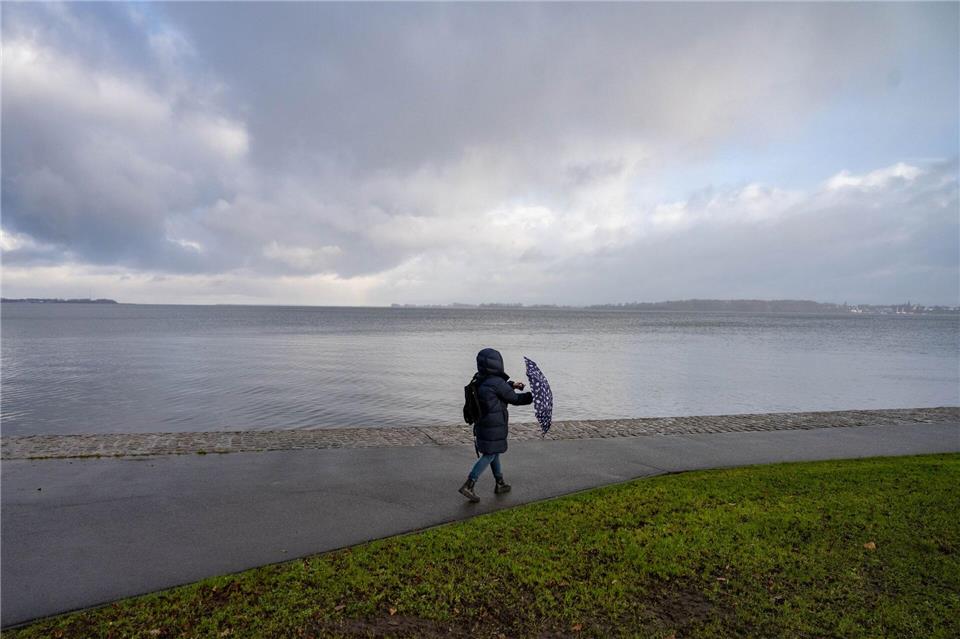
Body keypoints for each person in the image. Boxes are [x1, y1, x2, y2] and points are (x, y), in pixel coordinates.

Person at [459, 347, 532, 502]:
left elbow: (497, 388)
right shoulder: (497, 382)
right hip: (494, 424)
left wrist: (512, 384)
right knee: (490, 454)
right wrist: (532, 396)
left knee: (494, 452)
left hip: (483, 422)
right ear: (497, 363)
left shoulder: (479, 378)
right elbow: (515, 399)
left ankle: (500, 483)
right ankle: (469, 484)